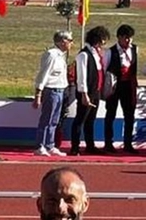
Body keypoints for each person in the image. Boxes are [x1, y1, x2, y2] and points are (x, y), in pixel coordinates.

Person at [33, 30, 75, 157]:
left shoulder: (60, 56)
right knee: (47, 119)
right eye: (70, 41)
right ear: (63, 41)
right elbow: (43, 74)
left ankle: (50, 145)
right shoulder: (51, 55)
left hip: (60, 90)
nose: (71, 44)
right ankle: (40, 145)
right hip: (51, 90)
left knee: (54, 120)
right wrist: (38, 94)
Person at [72, 25, 110, 155]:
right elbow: (81, 76)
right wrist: (84, 94)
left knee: (91, 120)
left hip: (96, 91)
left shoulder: (97, 54)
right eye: (102, 40)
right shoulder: (84, 54)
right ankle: (75, 147)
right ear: (96, 40)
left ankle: (90, 145)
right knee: (80, 119)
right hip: (87, 92)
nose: (104, 43)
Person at [104, 24, 139, 153]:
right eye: (125, 38)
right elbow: (105, 69)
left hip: (128, 86)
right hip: (114, 86)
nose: (128, 41)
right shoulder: (110, 51)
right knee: (110, 115)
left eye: (130, 38)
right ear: (119, 38)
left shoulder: (134, 49)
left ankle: (128, 144)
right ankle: (109, 143)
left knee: (129, 116)